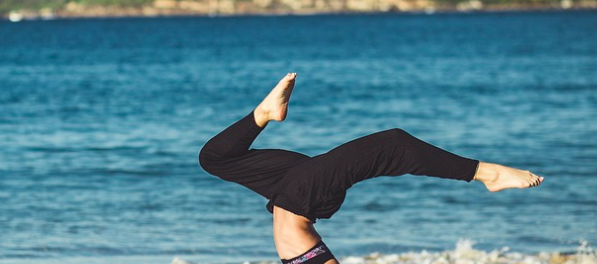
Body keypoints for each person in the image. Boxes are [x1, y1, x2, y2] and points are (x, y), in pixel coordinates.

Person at [199, 73, 544, 264]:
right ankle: (488, 174)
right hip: (300, 195)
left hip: (294, 191)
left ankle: (264, 114)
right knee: (395, 143)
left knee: (214, 158)